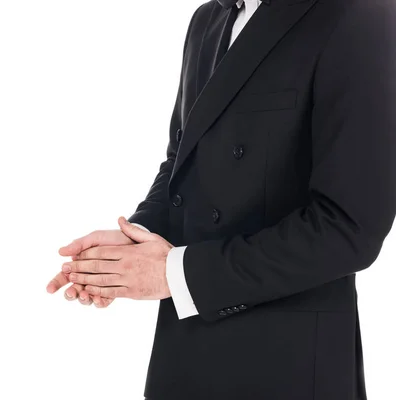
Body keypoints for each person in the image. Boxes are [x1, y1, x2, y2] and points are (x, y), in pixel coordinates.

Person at [46, 0, 396, 398]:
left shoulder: (357, 12)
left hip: (287, 366)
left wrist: (174, 275)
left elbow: (349, 228)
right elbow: (182, 160)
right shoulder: (207, 20)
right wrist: (136, 239)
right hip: (185, 354)